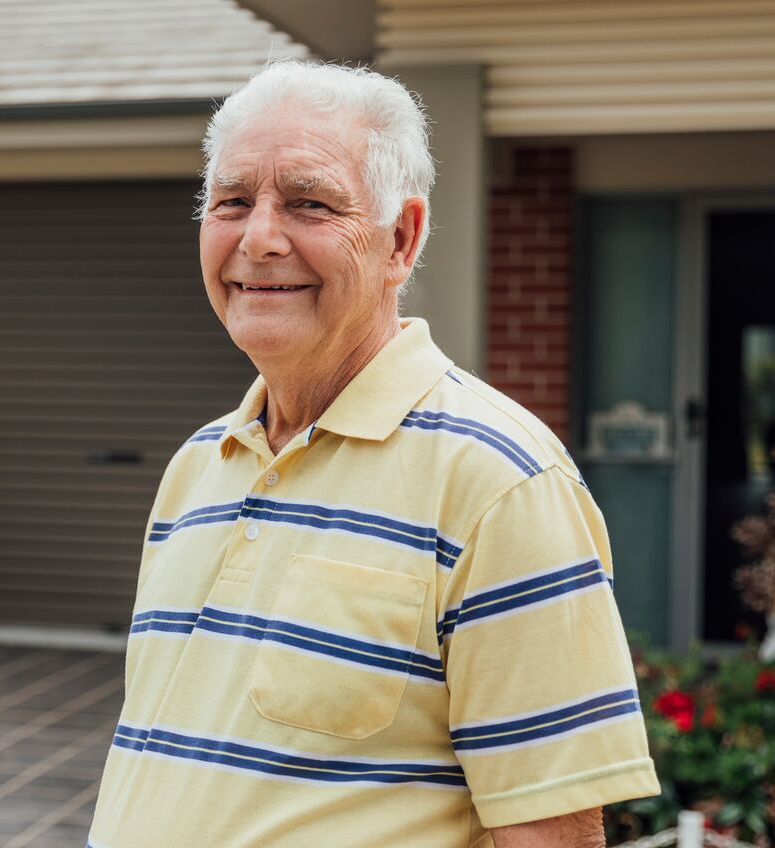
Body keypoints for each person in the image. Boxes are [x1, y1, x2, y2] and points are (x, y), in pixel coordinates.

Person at [89, 60, 658, 847]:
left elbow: (551, 832)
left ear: (401, 238)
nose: (257, 238)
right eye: (231, 201)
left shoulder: (500, 481)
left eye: (308, 203)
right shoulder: (199, 465)